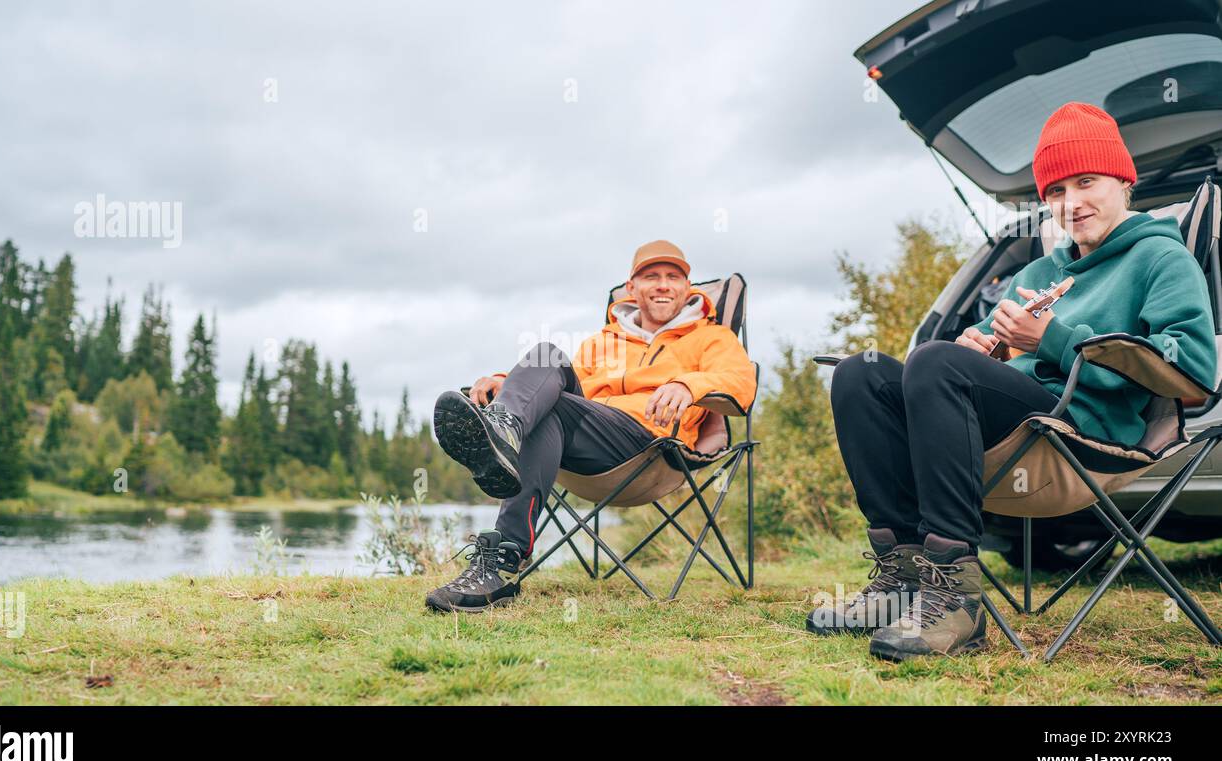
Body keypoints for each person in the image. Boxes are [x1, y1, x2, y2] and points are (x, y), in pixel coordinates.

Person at [812, 102, 1217, 660]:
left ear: (1125, 181)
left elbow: (1193, 371)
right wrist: (984, 346)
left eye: (1086, 181)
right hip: (1013, 430)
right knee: (863, 371)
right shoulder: (1039, 273)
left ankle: (955, 599)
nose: (1070, 204)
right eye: (1055, 192)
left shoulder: (1160, 260)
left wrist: (1050, 338)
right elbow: (976, 347)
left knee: (932, 362)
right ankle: (901, 578)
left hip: (1082, 434)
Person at [424, 240, 757, 612]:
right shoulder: (604, 341)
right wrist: (507, 382)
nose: (663, 284)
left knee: (551, 408)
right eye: (651, 276)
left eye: (673, 277)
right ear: (632, 288)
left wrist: (687, 384)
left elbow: (741, 384)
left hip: (651, 445)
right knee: (548, 359)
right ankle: (505, 440)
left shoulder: (712, 337)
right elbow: (560, 379)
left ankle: (501, 529)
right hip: (588, 439)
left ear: (687, 287)